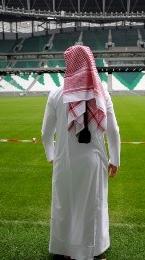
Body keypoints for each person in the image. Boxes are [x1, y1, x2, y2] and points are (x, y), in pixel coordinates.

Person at [41, 45, 121, 260]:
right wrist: (115, 158)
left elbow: (45, 133)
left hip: (64, 161)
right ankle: (89, 252)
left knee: (64, 204)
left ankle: (65, 250)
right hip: (93, 161)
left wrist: (51, 155)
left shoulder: (56, 94)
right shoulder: (102, 94)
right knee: (91, 207)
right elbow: (113, 130)